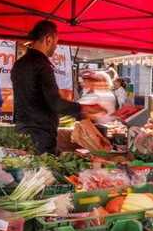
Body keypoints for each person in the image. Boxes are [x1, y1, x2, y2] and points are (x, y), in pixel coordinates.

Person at [11, 20, 106, 155]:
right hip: (40, 135)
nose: (56, 47)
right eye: (56, 42)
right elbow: (55, 103)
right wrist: (83, 108)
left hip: (22, 131)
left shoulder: (19, 64)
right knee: (42, 172)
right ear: (48, 39)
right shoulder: (42, 66)